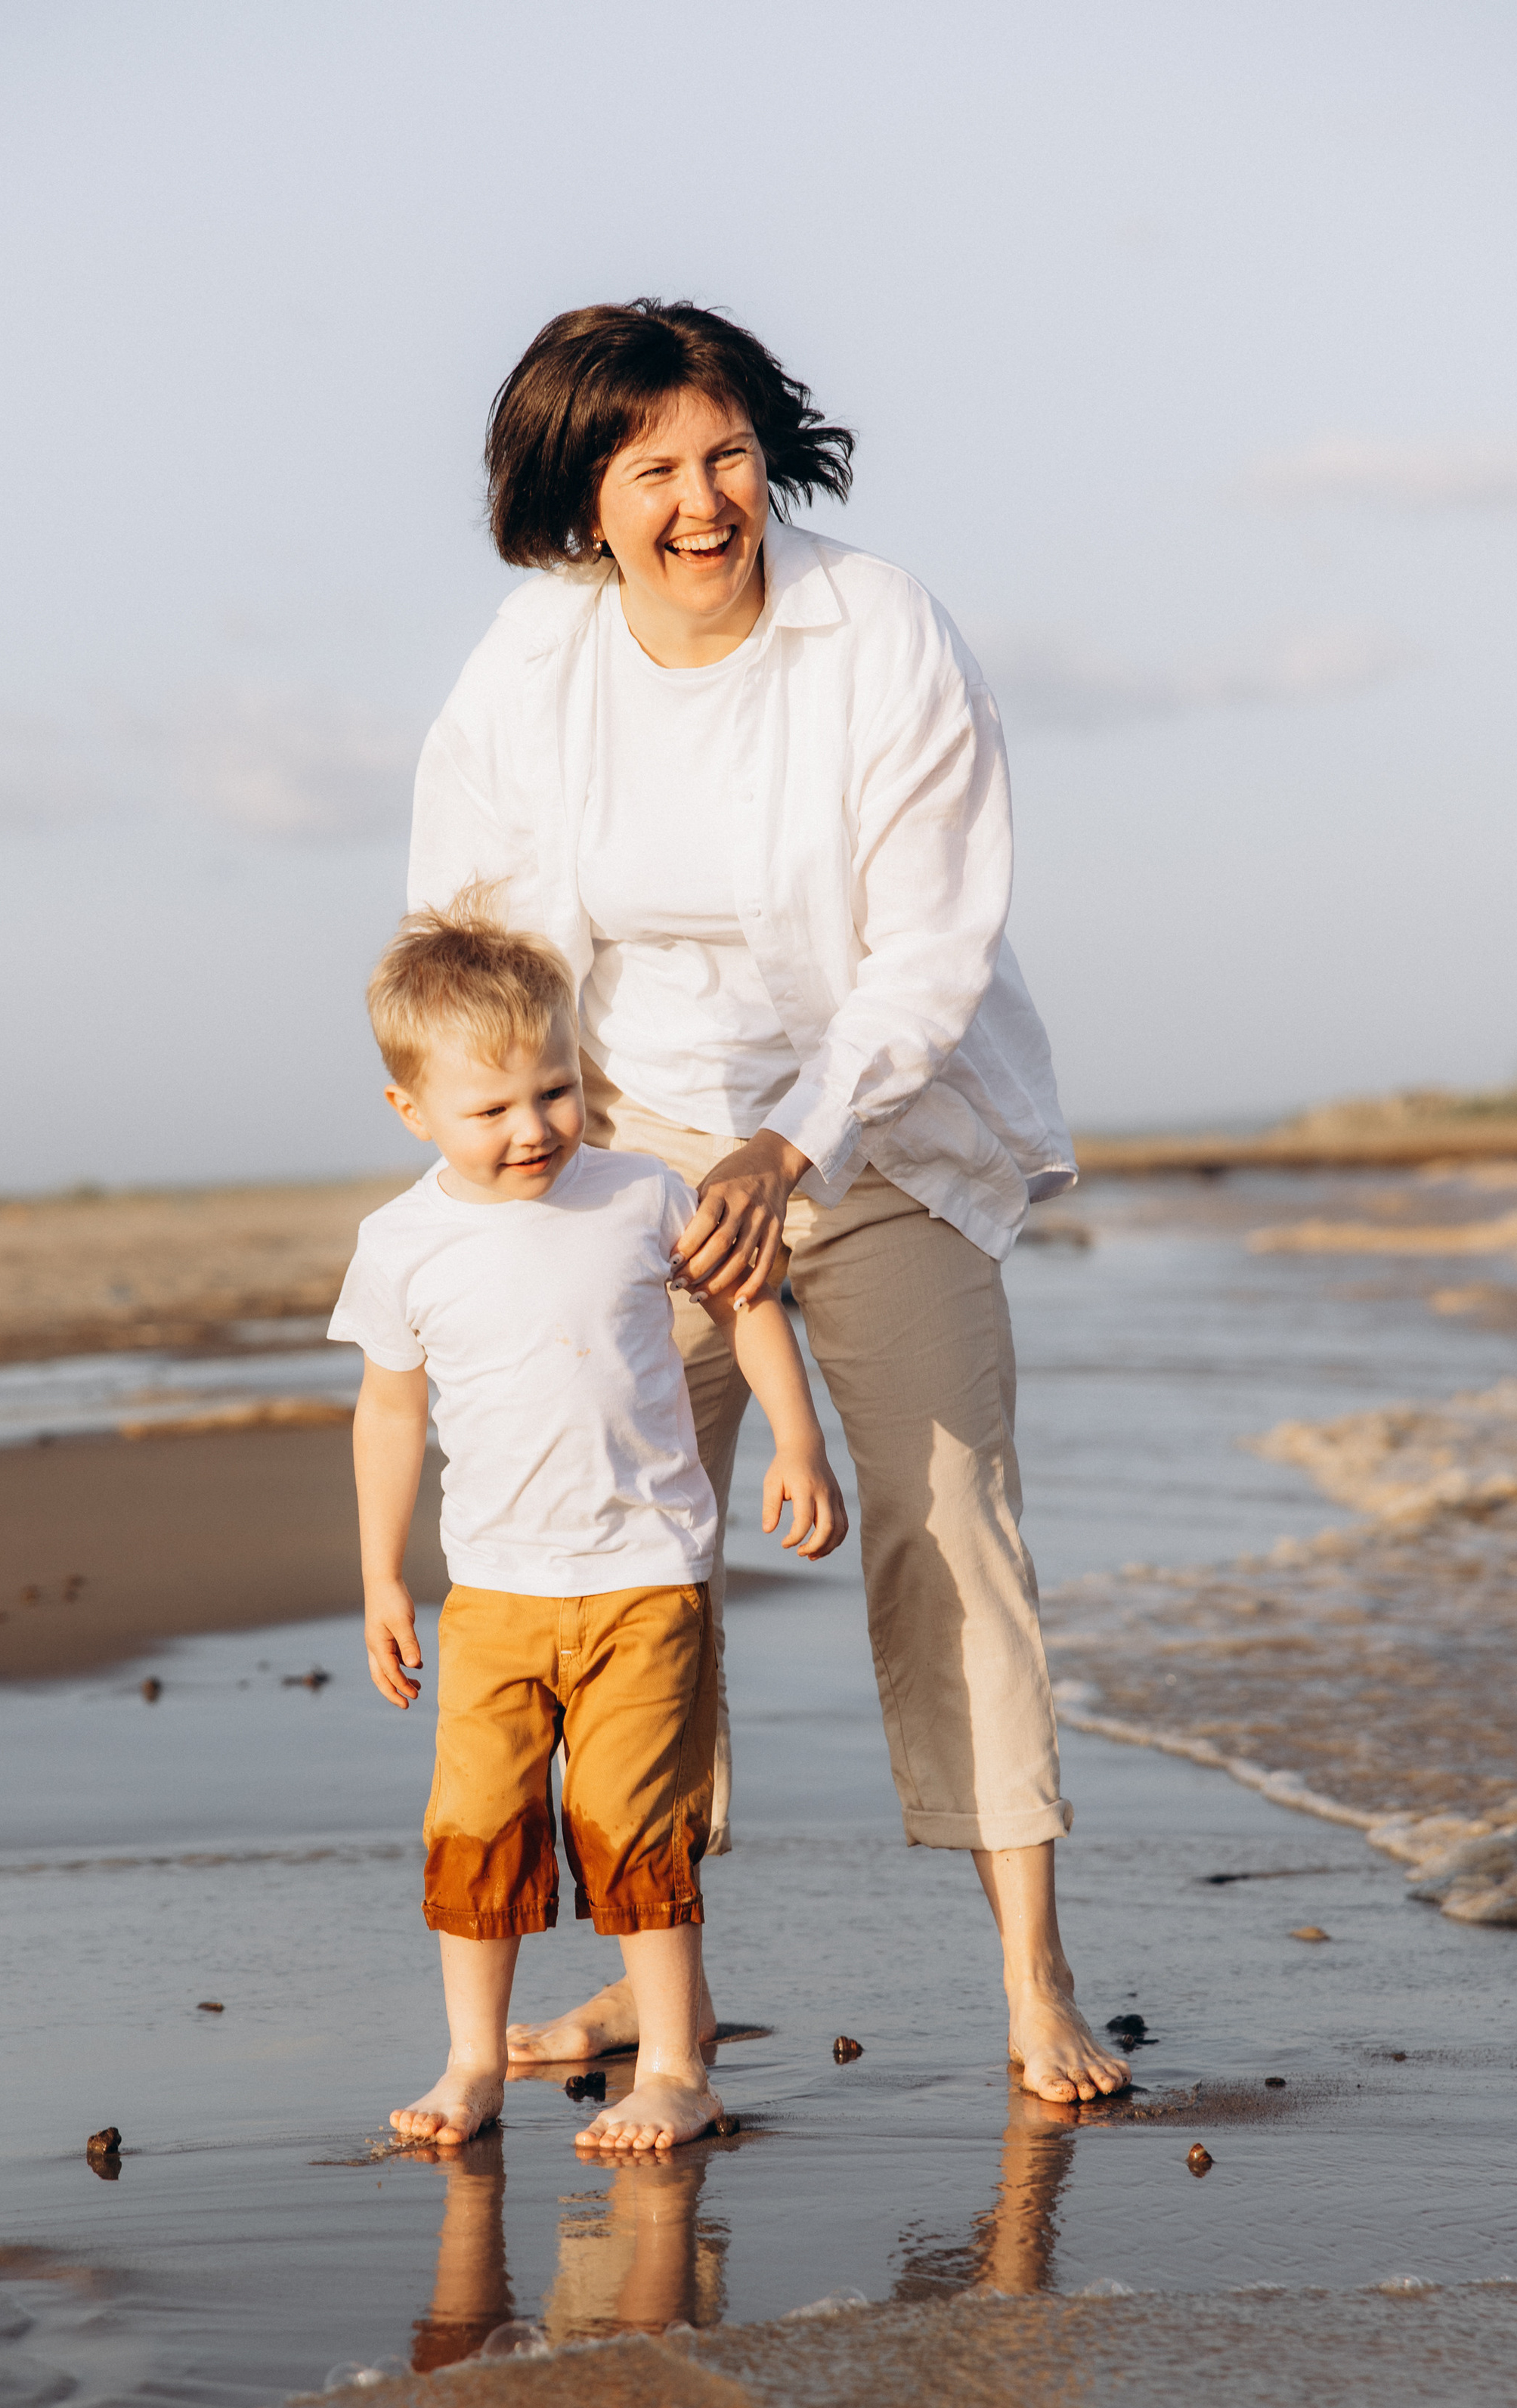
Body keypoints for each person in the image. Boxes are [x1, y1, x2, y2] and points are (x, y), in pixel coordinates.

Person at [407, 299, 1130, 2108]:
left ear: (767, 452)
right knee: (634, 1559)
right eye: (647, 468)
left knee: (946, 1525)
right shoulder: (531, 659)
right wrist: (524, 1161)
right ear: (581, 497)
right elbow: (472, 929)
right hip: (629, 1147)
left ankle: (1035, 1984)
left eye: (722, 452)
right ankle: (653, 1998)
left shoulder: (874, 628)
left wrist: (788, 1147)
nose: (698, 500)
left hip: (877, 1136)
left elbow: (928, 950)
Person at [328, 896, 847, 2155]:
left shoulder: (642, 1197)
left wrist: (796, 1436)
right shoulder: (401, 1246)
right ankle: (470, 2065)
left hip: (645, 1581)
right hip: (495, 1594)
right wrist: (381, 1582)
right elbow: (389, 1417)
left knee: (636, 1830)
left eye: (555, 1092)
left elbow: (749, 1307)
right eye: (491, 1109)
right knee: (478, 1832)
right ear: (413, 1111)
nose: (533, 1130)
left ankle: (672, 2066)